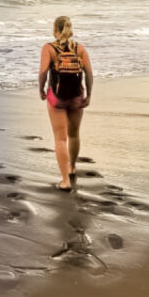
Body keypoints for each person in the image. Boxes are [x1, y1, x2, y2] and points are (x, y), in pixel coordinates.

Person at [39, 16, 93, 192]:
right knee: (74, 135)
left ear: (55, 29)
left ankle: (65, 181)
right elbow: (89, 74)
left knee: (60, 138)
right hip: (77, 96)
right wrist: (89, 95)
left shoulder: (49, 48)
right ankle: (72, 168)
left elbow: (43, 72)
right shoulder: (80, 48)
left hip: (57, 97)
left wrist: (41, 89)